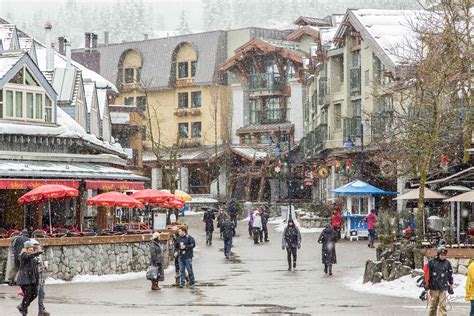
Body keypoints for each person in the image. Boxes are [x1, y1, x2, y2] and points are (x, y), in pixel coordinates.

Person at [424, 245, 453, 316]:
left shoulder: (447, 263)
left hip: (443, 287)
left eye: (444, 255)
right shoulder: (431, 262)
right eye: (442, 255)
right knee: (433, 306)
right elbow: (427, 274)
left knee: (443, 305)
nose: (443, 256)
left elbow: (449, 273)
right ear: (438, 254)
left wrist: (451, 283)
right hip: (433, 287)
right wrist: (426, 284)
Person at [16, 240, 42, 316]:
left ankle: (22, 306)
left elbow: (34, 269)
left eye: (32, 247)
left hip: (32, 279)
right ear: (26, 248)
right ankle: (23, 309)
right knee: (28, 294)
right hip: (24, 279)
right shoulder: (23, 254)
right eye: (30, 247)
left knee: (35, 294)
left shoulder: (32, 256)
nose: (31, 248)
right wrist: (38, 252)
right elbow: (28, 256)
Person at [30, 239, 50, 316]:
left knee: (42, 294)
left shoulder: (39, 257)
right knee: (33, 295)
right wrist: (43, 266)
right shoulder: (34, 258)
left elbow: (41, 268)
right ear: (36, 249)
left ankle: (41, 310)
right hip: (36, 280)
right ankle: (23, 305)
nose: (40, 249)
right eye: (39, 248)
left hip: (41, 279)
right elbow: (36, 269)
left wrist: (44, 266)